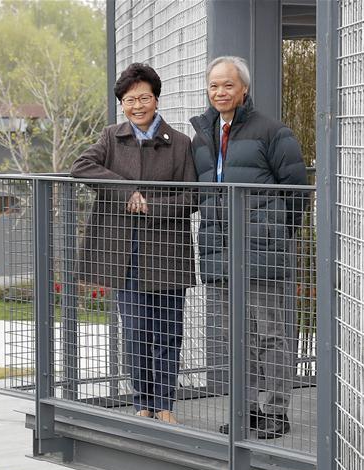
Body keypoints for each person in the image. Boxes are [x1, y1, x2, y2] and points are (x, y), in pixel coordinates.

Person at [71, 63, 196, 424]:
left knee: (169, 330)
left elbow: (192, 198)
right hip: (125, 256)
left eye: (144, 97)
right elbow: (81, 167)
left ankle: (166, 405)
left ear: (156, 99)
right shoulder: (112, 137)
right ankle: (143, 402)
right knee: (137, 330)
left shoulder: (181, 143)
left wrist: (151, 206)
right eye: (129, 100)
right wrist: (129, 192)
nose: (137, 105)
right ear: (121, 104)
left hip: (168, 253)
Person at [189, 56, 306, 439]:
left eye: (227, 85)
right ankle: (248, 409)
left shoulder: (273, 131)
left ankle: (275, 411)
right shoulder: (202, 135)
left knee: (271, 335)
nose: (220, 92)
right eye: (213, 86)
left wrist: (274, 236)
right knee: (236, 337)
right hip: (219, 252)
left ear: (244, 89)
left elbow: (297, 193)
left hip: (261, 251)